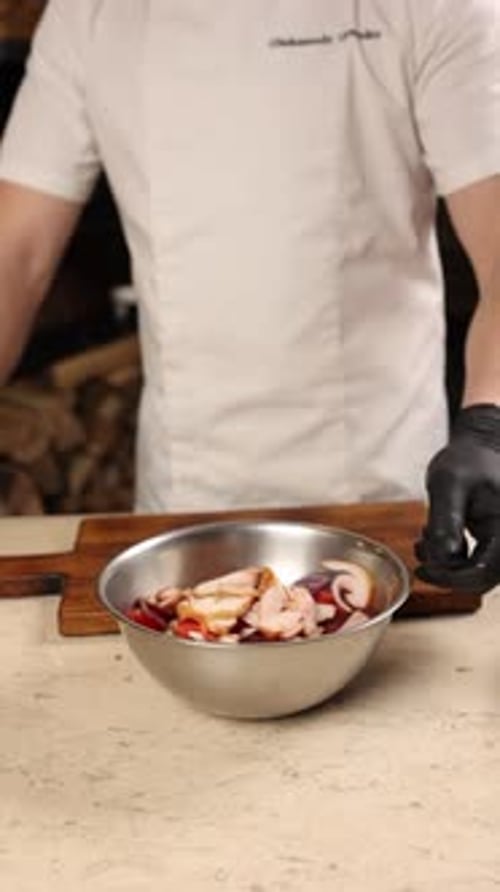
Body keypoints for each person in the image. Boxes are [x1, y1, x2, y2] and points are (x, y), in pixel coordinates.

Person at [0, 1, 499, 593]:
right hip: (180, 515)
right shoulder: (90, 14)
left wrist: (489, 423)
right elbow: (17, 253)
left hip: (382, 505)